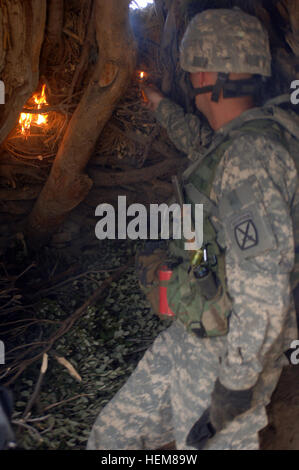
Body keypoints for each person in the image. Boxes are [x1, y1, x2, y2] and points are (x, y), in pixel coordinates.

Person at [87, 8, 299, 450]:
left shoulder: (249, 159)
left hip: (228, 354)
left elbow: (265, 290)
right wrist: (160, 105)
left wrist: (234, 387)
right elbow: (204, 147)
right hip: (196, 336)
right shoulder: (252, 139)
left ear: (205, 74)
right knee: (112, 438)